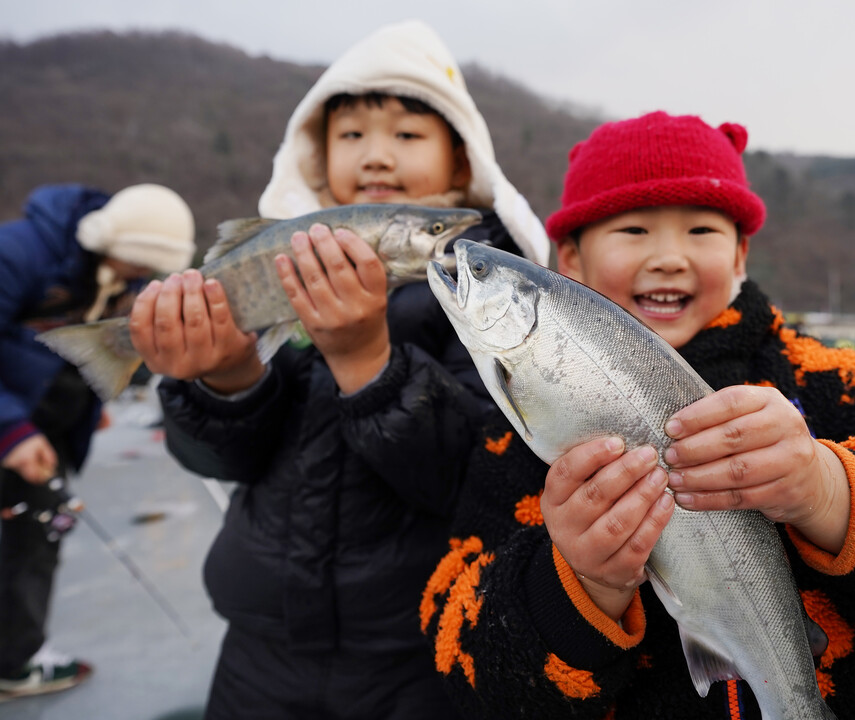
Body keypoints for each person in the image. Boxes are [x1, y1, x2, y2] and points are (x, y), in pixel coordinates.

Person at [420, 112, 855, 718]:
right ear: (570, 260)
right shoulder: (515, 436)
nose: (668, 255)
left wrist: (832, 491)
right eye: (633, 229)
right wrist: (580, 584)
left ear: (739, 255)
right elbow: (458, 660)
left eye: (701, 229)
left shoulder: (831, 384)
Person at [128, 20, 549, 720]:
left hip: (422, 650)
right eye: (351, 135)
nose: (376, 155)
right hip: (261, 640)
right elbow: (223, 458)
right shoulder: (279, 262)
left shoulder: (493, 290)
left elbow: (473, 473)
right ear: (319, 158)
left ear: (462, 160)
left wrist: (366, 361)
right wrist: (225, 379)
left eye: (408, 136)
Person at [0, 183, 196, 701]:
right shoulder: (19, 253)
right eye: (137, 263)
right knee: (32, 532)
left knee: (35, 531)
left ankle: (13, 651)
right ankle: (14, 664)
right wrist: (11, 432)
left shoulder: (120, 277)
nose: (141, 275)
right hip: (14, 427)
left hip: (51, 430)